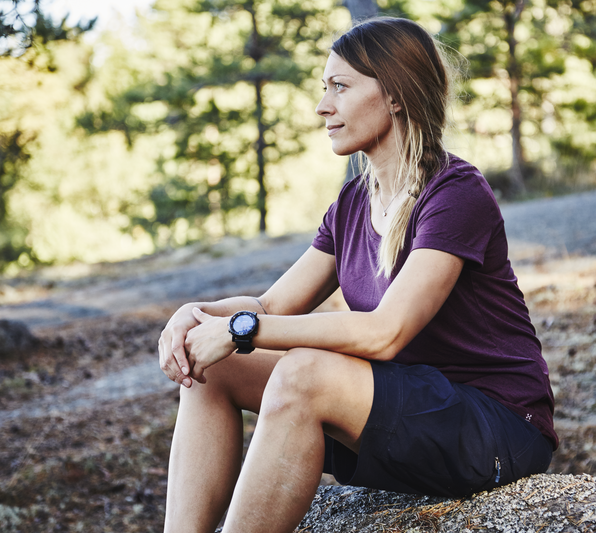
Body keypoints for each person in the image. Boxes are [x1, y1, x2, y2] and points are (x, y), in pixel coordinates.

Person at [158, 16, 557, 533]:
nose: (323, 106)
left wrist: (238, 331)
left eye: (340, 87)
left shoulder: (456, 194)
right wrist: (196, 318)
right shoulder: (352, 202)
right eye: (325, 88)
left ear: (394, 95)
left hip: (493, 427)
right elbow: (273, 307)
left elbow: (385, 332)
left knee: (304, 373)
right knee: (214, 369)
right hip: (407, 412)